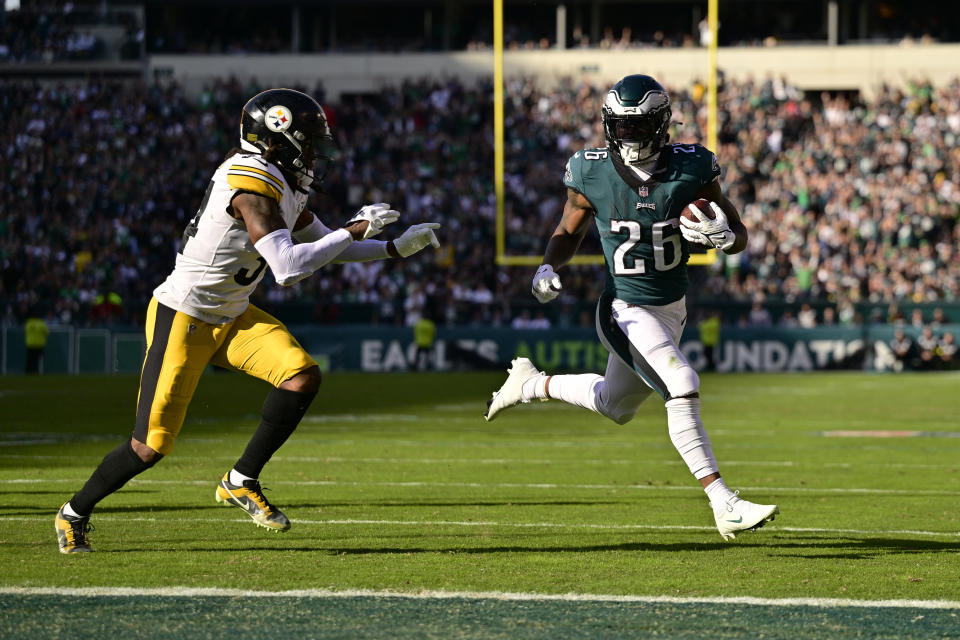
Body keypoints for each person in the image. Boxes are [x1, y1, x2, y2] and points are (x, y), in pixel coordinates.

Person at [54, 88, 441, 553]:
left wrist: (392, 248)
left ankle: (240, 479)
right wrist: (355, 227)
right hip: (185, 317)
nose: (316, 150)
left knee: (301, 377)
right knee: (149, 446)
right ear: (279, 138)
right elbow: (288, 268)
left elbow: (325, 246)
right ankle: (73, 513)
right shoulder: (251, 183)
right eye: (309, 140)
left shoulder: (279, 181)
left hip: (232, 313)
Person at [484, 74, 778, 540]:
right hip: (624, 307)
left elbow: (737, 231)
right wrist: (545, 265)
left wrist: (726, 238)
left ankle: (531, 385)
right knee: (682, 383)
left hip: (671, 308)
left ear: (661, 125)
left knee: (614, 405)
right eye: (620, 127)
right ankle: (724, 503)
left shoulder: (694, 166)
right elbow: (568, 229)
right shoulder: (591, 170)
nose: (629, 136)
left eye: (638, 126)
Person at [24, 310, 49, 374]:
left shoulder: (29, 323)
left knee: (30, 358)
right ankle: (35, 371)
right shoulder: (41, 323)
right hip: (39, 344)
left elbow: (26, 331)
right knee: (37, 359)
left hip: (30, 343)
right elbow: (46, 332)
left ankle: (28, 371)